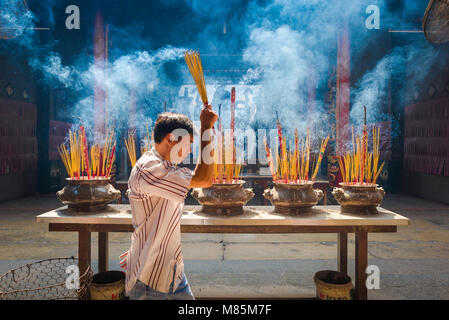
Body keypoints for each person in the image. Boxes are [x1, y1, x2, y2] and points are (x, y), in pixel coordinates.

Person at [119, 105, 217, 300]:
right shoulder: (149, 168)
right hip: (150, 277)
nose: (189, 151)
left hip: (172, 270)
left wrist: (140, 245)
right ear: (170, 139)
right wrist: (206, 127)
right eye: (188, 143)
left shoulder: (166, 167)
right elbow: (205, 178)